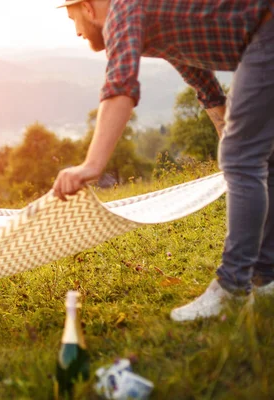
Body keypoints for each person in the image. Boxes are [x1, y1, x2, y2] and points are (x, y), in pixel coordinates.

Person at [53, 0, 274, 321]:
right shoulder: (154, 16)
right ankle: (265, 277)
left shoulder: (123, 9)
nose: (75, 32)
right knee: (259, 159)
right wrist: (231, 136)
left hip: (266, 29)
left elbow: (120, 86)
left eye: (72, 19)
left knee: (244, 159)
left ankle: (233, 288)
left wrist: (91, 165)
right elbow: (203, 83)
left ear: (87, 8)